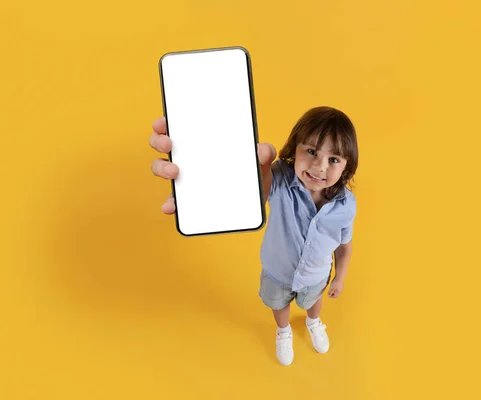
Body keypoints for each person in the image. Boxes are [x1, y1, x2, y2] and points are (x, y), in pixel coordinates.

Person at [150, 106, 358, 366]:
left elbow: (344, 246)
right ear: (295, 148)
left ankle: (314, 322)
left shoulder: (346, 205)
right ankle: (283, 332)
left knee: (313, 301)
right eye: (312, 151)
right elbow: (256, 189)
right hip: (277, 271)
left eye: (333, 159)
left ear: (347, 166)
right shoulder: (280, 176)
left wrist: (340, 277)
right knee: (278, 304)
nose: (319, 166)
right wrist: (245, 171)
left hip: (316, 275)